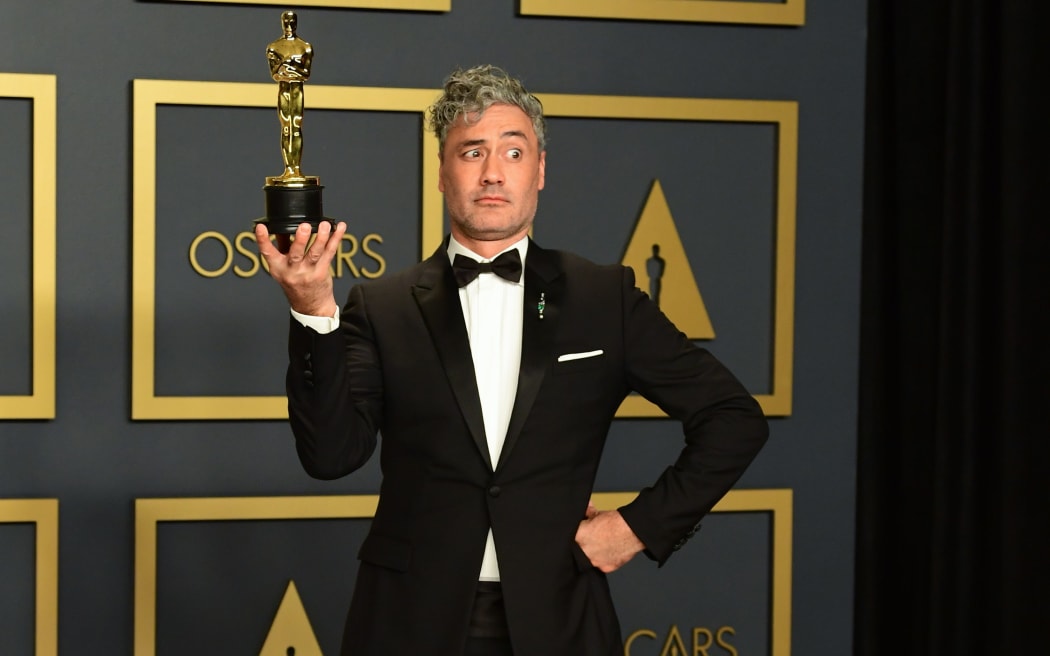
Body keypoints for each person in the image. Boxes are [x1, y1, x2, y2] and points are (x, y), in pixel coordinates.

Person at [254, 64, 769, 656]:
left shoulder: (604, 298)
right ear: (442, 174)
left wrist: (633, 528)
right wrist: (314, 306)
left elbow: (734, 418)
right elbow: (330, 456)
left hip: (561, 620)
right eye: (471, 152)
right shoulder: (382, 306)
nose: (493, 172)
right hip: (407, 622)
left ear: (541, 170)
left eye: (514, 152)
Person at [265, 11, 313, 181]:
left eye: (292, 21)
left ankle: (296, 168)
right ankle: (289, 168)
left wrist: (288, 68)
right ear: (282, 22)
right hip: (284, 89)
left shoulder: (305, 47)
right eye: (286, 21)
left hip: (297, 89)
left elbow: (305, 74)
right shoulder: (274, 47)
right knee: (286, 127)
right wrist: (290, 70)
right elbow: (275, 74)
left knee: (296, 125)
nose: (289, 24)